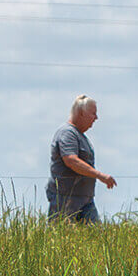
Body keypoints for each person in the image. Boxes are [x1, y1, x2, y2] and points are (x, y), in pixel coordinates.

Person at [48, 95, 116, 223]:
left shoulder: (80, 136)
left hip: (85, 201)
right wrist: (100, 175)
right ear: (81, 113)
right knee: (63, 239)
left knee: (96, 239)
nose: (96, 118)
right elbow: (71, 160)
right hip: (66, 200)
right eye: (93, 114)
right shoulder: (67, 134)